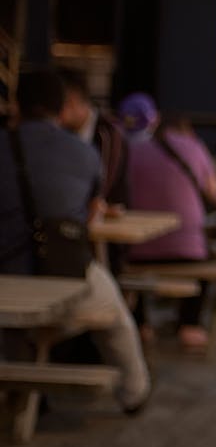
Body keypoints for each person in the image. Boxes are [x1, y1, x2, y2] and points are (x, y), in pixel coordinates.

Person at [0, 68, 152, 414]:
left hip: (6, 273)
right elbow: (88, 214)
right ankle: (134, 392)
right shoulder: (83, 153)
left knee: (16, 322)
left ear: (16, 105)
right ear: (61, 107)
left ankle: (25, 396)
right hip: (64, 274)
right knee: (115, 315)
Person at [120, 92, 216, 351]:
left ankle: (140, 324)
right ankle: (190, 325)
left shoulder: (128, 150)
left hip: (136, 250)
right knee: (206, 254)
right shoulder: (192, 146)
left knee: (123, 263)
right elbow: (214, 192)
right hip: (188, 251)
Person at [58, 67, 131, 271]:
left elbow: (103, 187)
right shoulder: (60, 133)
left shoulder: (107, 133)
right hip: (72, 229)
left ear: (73, 100)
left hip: (109, 237)